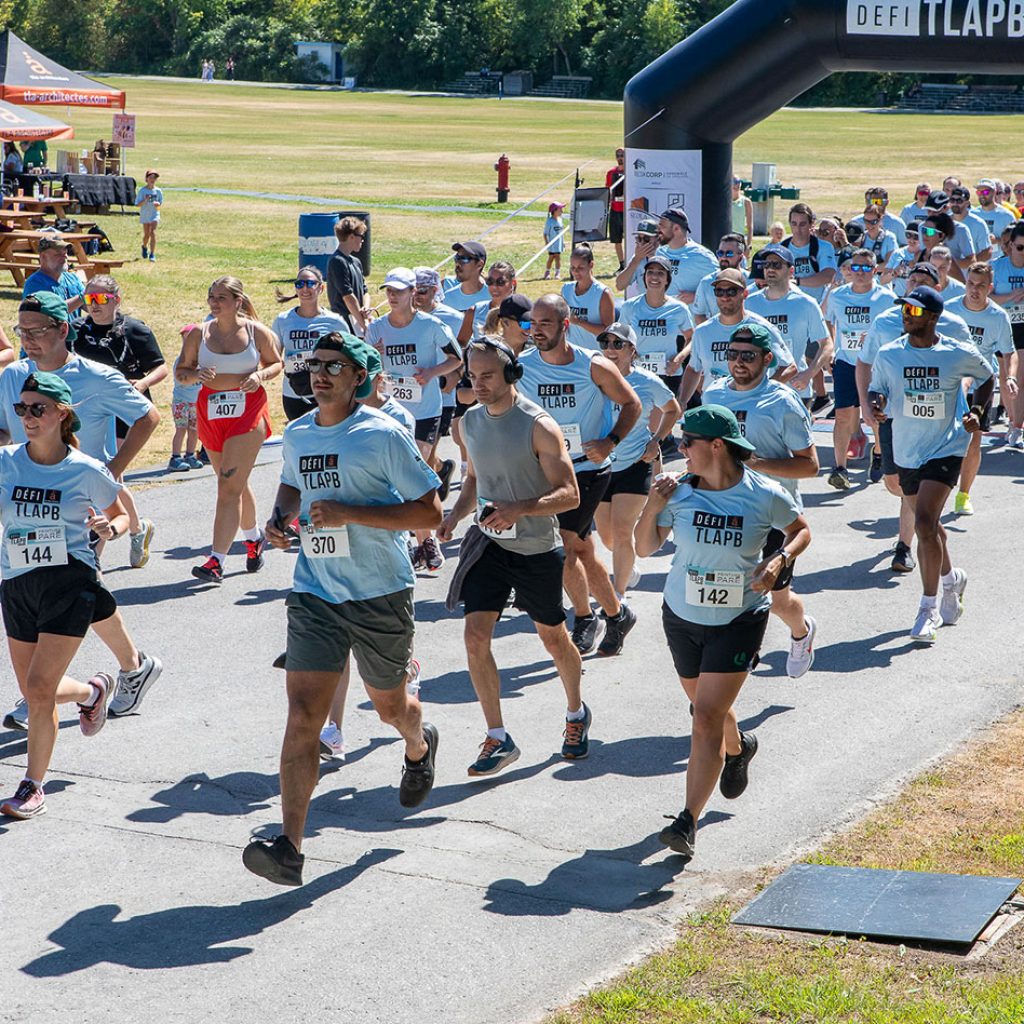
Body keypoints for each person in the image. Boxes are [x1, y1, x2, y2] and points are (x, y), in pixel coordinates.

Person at [242, 334, 442, 887]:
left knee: (389, 707)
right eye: (315, 364)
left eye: (337, 366)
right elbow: (291, 487)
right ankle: (289, 847)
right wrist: (281, 522)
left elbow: (430, 514)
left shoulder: (381, 435)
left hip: (380, 593)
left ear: (360, 377)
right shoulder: (301, 432)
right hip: (315, 593)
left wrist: (348, 513)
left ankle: (418, 741)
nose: (321, 373)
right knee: (304, 715)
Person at [635, 405, 810, 861]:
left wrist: (779, 559)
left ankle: (687, 820)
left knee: (705, 716)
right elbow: (642, 546)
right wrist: (654, 503)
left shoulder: (763, 493)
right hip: (682, 616)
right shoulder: (678, 491)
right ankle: (739, 748)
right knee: (706, 707)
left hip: (739, 619)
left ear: (715, 445)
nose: (680, 450)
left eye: (685, 442)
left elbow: (801, 530)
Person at [0, 295, 162, 730]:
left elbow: (148, 416)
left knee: (71, 591)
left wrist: (110, 471)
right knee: (76, 593)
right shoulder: (12, 376)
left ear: (63, 330)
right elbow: (6, 430)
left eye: (37, 331)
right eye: (21, 331)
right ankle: (131, 666)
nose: (28, 341)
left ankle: (44, 689)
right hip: (27, 510)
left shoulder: (96, 377)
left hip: (81, 509)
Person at [438, 338, 593, 774]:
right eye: (472, 376)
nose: (478, 384)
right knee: (474, 637)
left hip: (536, 547)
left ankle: (576, 714)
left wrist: (519, 508)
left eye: (488, 376)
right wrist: (454, 515)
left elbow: (569, 494)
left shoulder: (538, 425)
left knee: (553, 639)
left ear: (511, 374)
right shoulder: (469, 421)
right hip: (488, 543)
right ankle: (498, 736)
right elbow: (473, 479)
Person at [0, 373, 131, 819]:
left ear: (62, 413)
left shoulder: (87, 471)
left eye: (38, 409)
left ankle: (32, 785)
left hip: (70, 581)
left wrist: (109, 529)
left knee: (38, 689)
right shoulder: (6, 462)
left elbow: (123, 516)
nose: (29, 418)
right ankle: (92, 693)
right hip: (17, 580)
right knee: (36, 690)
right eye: (22, 410)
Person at [868, 287, 993, 643]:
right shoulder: (890, 354)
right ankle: (953, 580)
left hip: (947, 446)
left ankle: (928, 608)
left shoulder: (955, 353)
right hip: (908, 449)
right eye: (905, 308)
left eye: (915, 310)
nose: (907, 314)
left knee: (923, 522)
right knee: (931, 526)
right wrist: (877, 404)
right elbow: (878, 389)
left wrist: (978, 412)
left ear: (934, 317)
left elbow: (987, 378)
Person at [518, 294, 641, 656]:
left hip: (587, 470)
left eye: (545, 324)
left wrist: (611, 440)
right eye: (532, 324)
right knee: (584, 550)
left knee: (566, 544)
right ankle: (618, 614)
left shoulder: (593, 366)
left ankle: (585, 617)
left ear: (564, 325)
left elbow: (632, 403)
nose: (536, 331)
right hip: (546, 471)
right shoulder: (523, 366)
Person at [704, 326, 819, 677]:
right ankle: (733, 658)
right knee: (729, 591)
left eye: (748, 356)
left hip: (772, 515)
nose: (738, 362)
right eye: (733, 354)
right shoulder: (714, 394)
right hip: (725, 511)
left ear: (767, 359)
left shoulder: (782, 401)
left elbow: (810, 465)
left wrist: (756, 464)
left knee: (778, 600)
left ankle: (802, 631)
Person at [176, 277, 283, 584]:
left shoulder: (255, 332)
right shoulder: (198, 333)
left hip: (247, 414)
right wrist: (195, 374)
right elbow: (181, 372)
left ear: (238, 301)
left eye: (221, 297)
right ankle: (253, 540)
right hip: (211, 413)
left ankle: (215, 560)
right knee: (234, 484)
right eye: (211, 296)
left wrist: (260, 376)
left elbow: (277, 364)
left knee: (227, 486)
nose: (214, 302)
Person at [365, 267, 462, 571]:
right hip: (389, 410)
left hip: (425, 411)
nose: (392, 296)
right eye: (388, 291)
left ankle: (421, 539)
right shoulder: (376, 328)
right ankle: (422, 540)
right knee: (401, 474)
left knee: (413, 469)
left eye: (398, 291)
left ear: (412, 293)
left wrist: (432, 372)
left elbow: (456, 358)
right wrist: (372, 354)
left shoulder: (431, 326)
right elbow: (363, 369)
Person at [70, 274, 167, 567]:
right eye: (88, 299)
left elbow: (160, 368)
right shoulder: (75, 330)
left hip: (126, 409)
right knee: (106, 478)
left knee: (109, 476)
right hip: (89, 410)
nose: (94, 306)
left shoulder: (135, 330)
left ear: (116, 300)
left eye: (101, 299)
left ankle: (95, 554)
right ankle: (137, 528)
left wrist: (142, 384)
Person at [592, 323, 680, 596]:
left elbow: (672, 410)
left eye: (618, 344)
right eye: (605, 344)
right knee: (607, 538)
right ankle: (627, 569)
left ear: (632, 350)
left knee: (621, 531)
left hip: (635, 463)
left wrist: (656, 440)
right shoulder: (592, 378)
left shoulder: (646, 381)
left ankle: (618, 600)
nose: (610, 350)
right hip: (600, 465)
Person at [946, 263, 1018, 514]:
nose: (974, 290)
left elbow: (1009, 353)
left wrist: (1010, 378)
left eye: (980, 286)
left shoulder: (998, 316)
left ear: (989, 288)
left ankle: (963, 494)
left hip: (980, 386)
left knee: (973, 440)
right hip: (948, 383)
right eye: (970, 284)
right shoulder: (950, 309)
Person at [822, 249, 895, 489]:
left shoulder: (885, 297)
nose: (860, 272)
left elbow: (894, 329)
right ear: (849, 270)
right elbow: (829, 321)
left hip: (875, 365)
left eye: (866, 268)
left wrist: (874, 338)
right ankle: (839, 468)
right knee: (843, 416)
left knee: (875, 417)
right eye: (856, 267)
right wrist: (831, 347)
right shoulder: (838, 296)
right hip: (846, 362)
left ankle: (878, 452)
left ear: (875, 270)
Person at [678, 268, 796, 406]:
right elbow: (693, 369)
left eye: (731, 291)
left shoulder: (762, 328)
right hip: (715, 409)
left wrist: (763, 393)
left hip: (751, 408)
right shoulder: (702, 331)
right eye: (719, 291)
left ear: (745, 294)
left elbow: (789, 367)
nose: (725, 296)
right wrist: (682, 401)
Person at [745, 244, 833, 412]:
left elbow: (826, 344)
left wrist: (809, 374)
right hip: (757, 389)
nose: (770, 269)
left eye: (777, 265)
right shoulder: (750, 303)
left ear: (791, 271)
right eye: (767, 265)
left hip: (795, 388)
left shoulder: (805, 303)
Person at [273, 266, 348, 422]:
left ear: (321, 287)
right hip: (294, 393)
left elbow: (348, 356)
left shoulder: (335, 321)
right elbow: (273, 357)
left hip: (325, 390)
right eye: (299, 284)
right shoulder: (283, 320)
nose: (304, 289)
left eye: (310, 283)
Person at [617, 255, 694, 393]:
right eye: (650, 272)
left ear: (667, 279)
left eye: (660, 273)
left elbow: (692, 338)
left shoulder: (679, 308)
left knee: (668, 414)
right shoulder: (630, 307)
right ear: (644, 277)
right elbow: (619, 338)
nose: (654, 277)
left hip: (669, 373)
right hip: (637, 372)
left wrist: (678, 359)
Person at [991, 221, 1024, 449]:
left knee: (1019, 376)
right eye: (1021, 247)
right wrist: (1010, 297)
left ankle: (1018, 426)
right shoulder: (997, 267)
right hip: (1003, 324)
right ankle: (1013, 420)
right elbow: (985, 297)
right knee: (1005, 378)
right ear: (1010, 245)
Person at [653, 207, 718, 305]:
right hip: (664, 316)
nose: (658, 229)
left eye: (662, 226)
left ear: (676, 228)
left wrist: (696, 296)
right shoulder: (659, 253)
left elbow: (721, 284)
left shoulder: (701, 256)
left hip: (692, 318)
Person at [561, 243, 614, 351]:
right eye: (572, 267)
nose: (575, 271)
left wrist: (579, 322)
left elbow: (608, 332)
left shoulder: (603, 293)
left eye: (580, 267)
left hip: (595, 354)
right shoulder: (566, 289)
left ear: (591, 265)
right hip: (571, 354)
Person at [782, 203, 837, 305]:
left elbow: (828, 275)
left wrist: (797, 281)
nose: (798, 229)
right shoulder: (781, 249)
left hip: (815, 305)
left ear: (811, 224)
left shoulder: (824, 247)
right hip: (788, 306)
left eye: (802, 224)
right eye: (794, 224)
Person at [691, 233, 751, 326]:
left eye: (729, 253)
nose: (723, 257)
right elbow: (699, 314)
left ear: (740, 256)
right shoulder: (706, 282)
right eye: (720, 253)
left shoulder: (752, 280)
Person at [326, 216, 371, 336]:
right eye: (361, 237)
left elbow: (365, 291)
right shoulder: (337, 261)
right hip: (344, 323)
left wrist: (365, 308)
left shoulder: (356, 262)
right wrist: (364, 325)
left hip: (358, 318)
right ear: (351, 236)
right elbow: (348, 297)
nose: (362, 241)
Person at [169, 326, 203, 471]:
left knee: (194, 429)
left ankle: (190, 455)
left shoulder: (202, 361)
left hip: (196, 401)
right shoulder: (181, 362)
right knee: (181, 428)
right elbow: (181, 379)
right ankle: (175, 457)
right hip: (181, 401)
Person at [22, 237, 85, 312]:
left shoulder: (72, 278)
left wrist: (97, 296)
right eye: (58, 254)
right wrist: (81, 298)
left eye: (65, 252)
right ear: (43, 256)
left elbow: (87, 305)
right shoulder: (35, 283)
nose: (65, 256)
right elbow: (52, 312)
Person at [948, 186, 992, 264]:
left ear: (967, 203)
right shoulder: (944, 221)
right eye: (952, 200)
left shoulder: (978, 223)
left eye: (959, 201)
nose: (955, 204)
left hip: (970, 273)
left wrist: (968, 264)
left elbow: (987, 252)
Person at [442, 241, 488, 311]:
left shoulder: (492, 297)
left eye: (464, 259)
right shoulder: (448, 298)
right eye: (457, 258)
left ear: (479, 264)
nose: (457, 264)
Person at [605, 148, 627, 271]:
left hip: (627, 211)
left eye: (622, 155)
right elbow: (607, 190)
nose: (620, 158)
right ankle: (622, 264)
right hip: (615, 210)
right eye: (618, 155)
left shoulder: (631, 171)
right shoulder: (611, 173)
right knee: (616, 239)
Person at [136, 170, 163, 263]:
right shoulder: (142, 191)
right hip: (145, 215)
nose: (152, 180)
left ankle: (152, 254)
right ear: (146, 179)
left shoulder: (158, 191)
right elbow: (137, 204)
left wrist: (157, 204)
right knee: (147, 235)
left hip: (154, 214)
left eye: (154, 178)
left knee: (153, 232)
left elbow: (160, 205)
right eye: (150, 177)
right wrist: (145, 200)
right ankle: (144, 246)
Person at [543, 201, 565, 279]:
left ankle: (557, 273)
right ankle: (547, 272)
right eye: (560, 209)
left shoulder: (560, 220)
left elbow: (561, 232)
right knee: (551, 257)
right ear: (554, 211)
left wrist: (563, 242)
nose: (562, 211)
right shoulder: (549, 221)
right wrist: (547, 242)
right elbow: (545, 233)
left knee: (558, 257)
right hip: (552, 243)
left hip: (558, 243)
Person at [731, 176, 753, 248]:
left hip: (739, 237)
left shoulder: (746, 202)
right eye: (734, 183)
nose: (736, 185)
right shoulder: (724, 201)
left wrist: (749, 245)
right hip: (726, 235)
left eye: (738, 183)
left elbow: (750, 226)